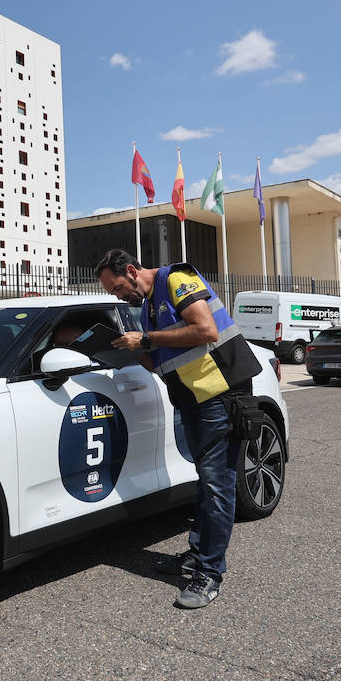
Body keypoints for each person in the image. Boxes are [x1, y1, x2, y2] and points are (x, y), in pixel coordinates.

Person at [94, 248, 261, 609]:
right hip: (194, 400)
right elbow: (161, 361)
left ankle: (210, 574)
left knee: (218, 484)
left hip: (222, 396)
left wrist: (148, 340)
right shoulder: (148, 306)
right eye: (113, 294)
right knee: (206, 481)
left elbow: (205, 329)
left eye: (118, 288)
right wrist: (120, 350)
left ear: (133, 271)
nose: (118, 296)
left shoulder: (177, 279)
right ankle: (198, 554)